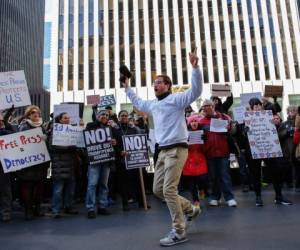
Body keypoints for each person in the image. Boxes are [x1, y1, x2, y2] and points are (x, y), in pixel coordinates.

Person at [120, 49, 202, 246]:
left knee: (169, 190)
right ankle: (191, 209)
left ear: (167, 86)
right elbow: (138, 101)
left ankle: (179, 231)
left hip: (177, 149)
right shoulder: (153, 105)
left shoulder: (177, 99)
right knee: (158, 190)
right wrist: (127, 87)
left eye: (159, 82)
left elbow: (196, 91)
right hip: (163, 151)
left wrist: (195, 68)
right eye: (154, 83)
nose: (155, 84)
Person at [244, 98, 292, 206]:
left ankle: (279, 196)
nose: (258, 107)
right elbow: (238, 133)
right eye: (255, 106)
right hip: (254, 150)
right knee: (255, 174)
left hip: (269, 148)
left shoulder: (269, 116)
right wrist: (244, 130)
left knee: (276, 171)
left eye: (259, 105)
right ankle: (258, 197)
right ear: (251, 108)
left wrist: (277, 124)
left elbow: (277, 128)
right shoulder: (246, 118)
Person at [198, 100, 237, 207]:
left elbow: (233, 131)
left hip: (223, 152)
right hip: (209, 153)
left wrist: (230, 127)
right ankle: (215, 197)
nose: (205, 108)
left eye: (207, 106)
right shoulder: (201, 122)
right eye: (203, 107)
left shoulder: (224, 117)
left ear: (213, 106)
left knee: (225, 176)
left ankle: (229, 197)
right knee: (213, 177)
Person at [113, 110, 149, 211]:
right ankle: (125, 204)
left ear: (128, 117)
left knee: (138, 180)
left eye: (126, 115)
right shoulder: (115, 130)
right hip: (121, 159)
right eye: (122, 116)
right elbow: (114, 144)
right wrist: (120, 152)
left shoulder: (133, 129)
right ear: (119, 117)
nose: (124, 117)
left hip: (133, 159)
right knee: (123, 183)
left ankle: (142, 202)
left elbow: (140, 140)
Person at [18, 105, 49, 220]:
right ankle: (28, 210)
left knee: (39, 187)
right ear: (28, 115)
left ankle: (37, 209)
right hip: (29, 162)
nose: (36, 115)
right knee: (28, 186)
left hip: (41, 162)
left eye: (37, 113)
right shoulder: (24, 126)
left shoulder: (42, 126)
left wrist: (46, 138)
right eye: (33, 113)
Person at [85, 109, 116, 218]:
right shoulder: (90, 125)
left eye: (107, 115)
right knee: (92, 185)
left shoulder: (109, 128)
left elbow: (112, 141)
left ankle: (102, 206)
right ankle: (90, 208)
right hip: (94, 161)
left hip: (106, 160)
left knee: (104, 185)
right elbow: (86, 139)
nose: (105, 116)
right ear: (97, 116)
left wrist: (113, 142)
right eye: (102, 114)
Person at [48, 112, 79, 218]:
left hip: (70, 164)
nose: (67, 119)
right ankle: (55, 210)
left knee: (70, 190)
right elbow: (52, 146)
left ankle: (68, 207)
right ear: (60, 120)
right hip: (59, 165)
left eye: (68, 118)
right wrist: (68, 148)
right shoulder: (55, 131)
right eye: (65, 118)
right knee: (58, 190)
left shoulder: (72, 130)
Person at [183, 114, 208, 206]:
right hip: (189, 160)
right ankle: (195, 200)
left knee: (203, 179)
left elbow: (205, 150)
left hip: (200, 159)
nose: (194, 123)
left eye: (195, 121)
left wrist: (204, 141)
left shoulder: (202, 132)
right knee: (191, 182)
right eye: (192, 121)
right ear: (189, 123)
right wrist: (186, 142)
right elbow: (183, 149)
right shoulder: (185, 134)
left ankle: (201, 189)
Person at [278, 105, 297, 188]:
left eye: (294, 110)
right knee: (288, 167)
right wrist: (287, 131)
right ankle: (289, 182)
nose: (292, 112)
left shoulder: (298, 122)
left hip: (297, 148)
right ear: (288, 112)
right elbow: (279, 135)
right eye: (290, 110)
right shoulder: (284, 124)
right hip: (287, 149)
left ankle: (297, 183)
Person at [0, 113, 13, 222]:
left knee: (5, 189)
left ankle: (6, 212)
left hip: (4, 164)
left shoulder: (7, 129)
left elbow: (14, 136)